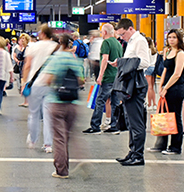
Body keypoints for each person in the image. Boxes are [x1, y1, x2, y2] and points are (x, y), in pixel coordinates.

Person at [38, 34, 84, 178]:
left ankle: (62, 171)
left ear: (59, 43)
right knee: (68, 136)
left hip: (57, 102)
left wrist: (55, 83)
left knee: (59, 138)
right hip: (73, 104)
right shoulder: (74, 59)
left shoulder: (55, 58)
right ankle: (79, 159)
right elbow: (81, 80)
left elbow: (47, 79)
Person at [113, 18, 153, 166]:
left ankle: (138, 155)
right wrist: (121, 62)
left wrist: (124, 63)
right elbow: (132, 60)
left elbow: (144, 62)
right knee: (131, 121)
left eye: (123, 34)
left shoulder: (139, 40)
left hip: (136, 84)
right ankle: (132, 152)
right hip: (130, 83)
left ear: (130, 29)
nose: (122, 38)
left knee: (136, 122)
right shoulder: (130, 41)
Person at [152, 29, 184, 155]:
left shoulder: (181, 53)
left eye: (174, 37)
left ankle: (175, 147)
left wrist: (166, 88)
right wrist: (161, 86)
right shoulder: (168, 51)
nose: (171, 40)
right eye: (169, 37)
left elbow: (177, 74)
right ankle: (161, 144)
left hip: (176, 88)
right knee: (164, 115)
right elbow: (165, 70)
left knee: (175, 117)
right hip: (167, 88)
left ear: (179, 39)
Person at [22, 24, 59, 153]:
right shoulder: (56, 47)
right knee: (49, 115)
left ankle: (33, 140)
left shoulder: (33, 46)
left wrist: (24, 82)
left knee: (34, 114)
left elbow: (27, 65)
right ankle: (48, 145)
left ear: (42, 33)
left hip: (35, 84)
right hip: (51, 85)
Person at [84, 23, 122, 134]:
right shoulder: (118, 43)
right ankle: (114, 126)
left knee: (100, 100)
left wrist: (100, 76)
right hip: (117, 76)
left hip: (108, 76)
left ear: (105, 32)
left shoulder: (106, 42)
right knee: (115, 102)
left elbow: (105, 59)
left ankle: (95, 126)